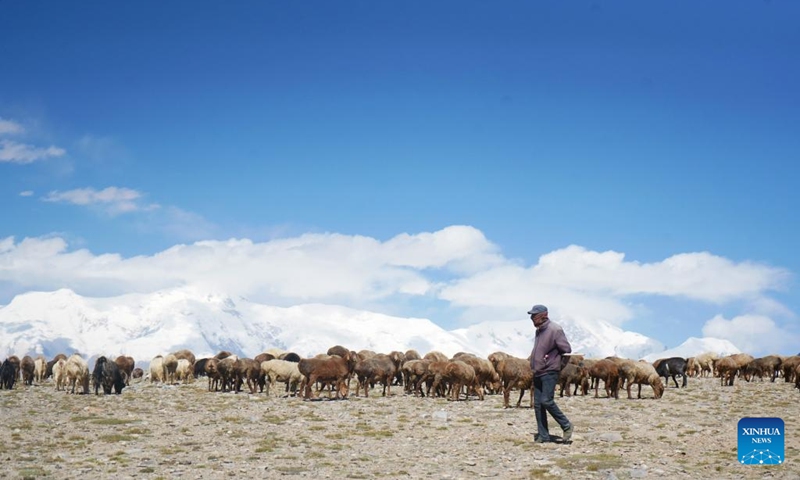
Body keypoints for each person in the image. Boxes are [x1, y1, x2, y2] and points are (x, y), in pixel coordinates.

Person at [528, 304, 574, 443]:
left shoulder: (555, 329)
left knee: (546, 401)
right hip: (538, 370)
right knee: (538, 404)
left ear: (543, 315)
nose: (532, 318)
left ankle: (566, 425)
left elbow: (566, 348)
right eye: (531, 316)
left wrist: (551, 357)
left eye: (534, 316)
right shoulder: (539, 330)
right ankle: (543, 435)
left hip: (549, 370)